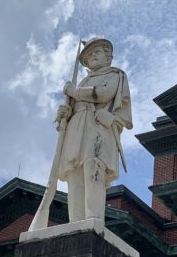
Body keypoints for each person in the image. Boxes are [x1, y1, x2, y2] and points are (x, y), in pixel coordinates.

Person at [55, 37, 132, 223]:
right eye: (89, 55)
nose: (92, 56)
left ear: (108, 56)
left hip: (97, 126)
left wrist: (73, 92)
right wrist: (63, 113)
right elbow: (71, 109)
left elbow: (103, 94)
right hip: (76, 128)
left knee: (93, 166)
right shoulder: (81, 83)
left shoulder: (114, 75)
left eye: (96, 52)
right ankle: (76, 222)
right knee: (74, 173)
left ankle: (93, 218)